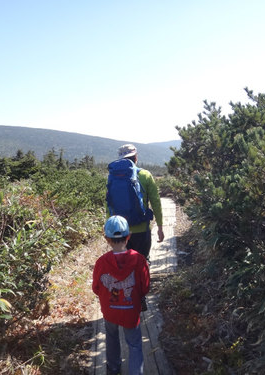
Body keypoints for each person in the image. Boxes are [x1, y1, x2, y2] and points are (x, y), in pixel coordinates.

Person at [92, 215, 150, 375]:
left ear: (106, 239)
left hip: (110, 310)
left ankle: (113, 368)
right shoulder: (139, 260)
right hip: (131, 310)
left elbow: (96, 287)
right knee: (134, 344)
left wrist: (112, 294)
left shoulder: (101, 262)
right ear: (129, 236)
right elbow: (145, 288)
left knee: (111, 337)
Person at [109, 144, 164, 261]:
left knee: (124, 264)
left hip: (120, 231)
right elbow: (156, 202)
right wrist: (160, 226)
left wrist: (109, 230)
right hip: (142, 229)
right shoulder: (145, 175)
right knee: (142, 261)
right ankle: (143, 279)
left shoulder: (113, 176)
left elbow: (108, 204)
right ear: (136, 158)